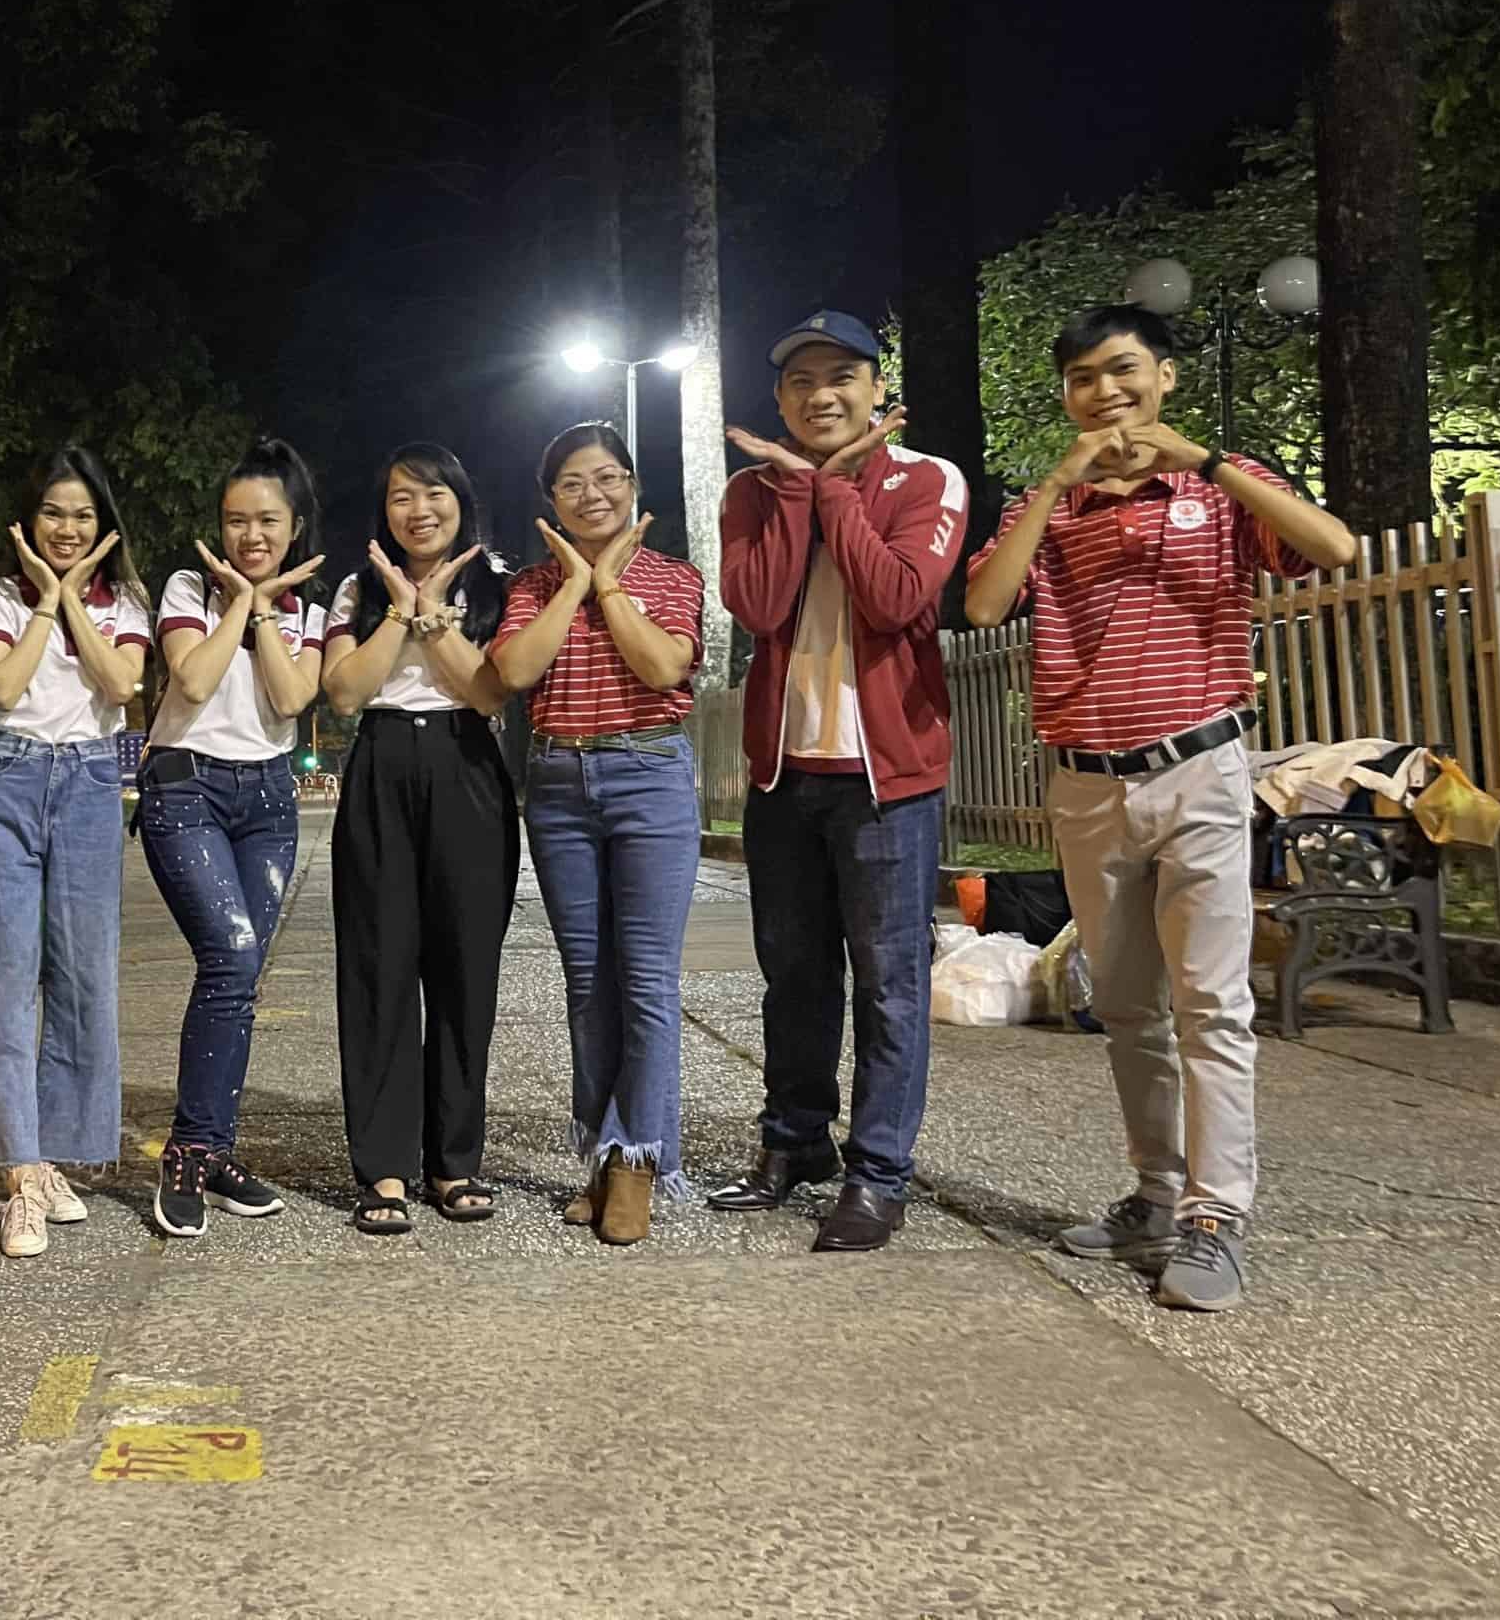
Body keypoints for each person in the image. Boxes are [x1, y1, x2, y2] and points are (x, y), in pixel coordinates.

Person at [965, 305, 1355, 1312]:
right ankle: (1155, 1193)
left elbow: (1334, 546)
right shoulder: (1050, 507)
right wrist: (1056, 485)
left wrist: (1207, 461)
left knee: (1211, 1003)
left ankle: (1216, 1218)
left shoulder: (1221, 486)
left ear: (1165, 375)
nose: (1105, 392)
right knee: (1127, 1004)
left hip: (1199, 769)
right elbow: (983, 605)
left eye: (1123, 369)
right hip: (1085, 780)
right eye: (1083, 378)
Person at [710, 311, 968, 1251]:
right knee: (794, 976)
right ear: (780, 400)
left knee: (890, 984)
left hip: (887, 780)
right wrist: (796, 489)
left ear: (876, 389)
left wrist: (834, 492)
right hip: (785, 775)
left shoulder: (928, 478)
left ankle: (878, 1172)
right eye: (801, 381)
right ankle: (794, 1143)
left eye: (841, 377)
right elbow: (758, 603)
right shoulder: (751, 491)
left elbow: (896, 597)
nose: (821, 395)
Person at [492, 422, 705, 1246]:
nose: (594, 494)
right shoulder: (531, 585)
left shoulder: (672, 576)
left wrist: (609, 586)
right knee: (587, 984)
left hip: (648, 774)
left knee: (645, 982)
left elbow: (662, 667)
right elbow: (515, 672)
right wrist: (575, 585)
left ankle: (636, 1163)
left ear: (633, 485)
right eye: (573, 483)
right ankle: (605, 1156)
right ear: (551, 500)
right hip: (557, 784)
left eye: (609, 477)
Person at [0, 447, 152, 1258]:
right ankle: (20, 1173)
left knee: (84, 975)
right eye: (52, 513)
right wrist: (47, 597)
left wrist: (73, 595)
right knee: (4, 978)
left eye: (82, 515)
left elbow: (120, 686)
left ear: (104, 524)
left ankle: (54, 1154)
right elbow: (3, 688)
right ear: (27, 522)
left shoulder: (127, 601)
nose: (67, 528)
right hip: (9, 776)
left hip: (88, 783)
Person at [321, 444, 517, 1237]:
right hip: (382, 763)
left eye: (434, 493)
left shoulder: (498, 584)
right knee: (380, 967)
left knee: (466, 969)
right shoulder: (358, 588)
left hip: (468, 764)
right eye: (402, 497)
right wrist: (400, 610)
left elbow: (488, 690)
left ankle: (455, 1159)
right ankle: (385, 1166)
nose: (419, 510)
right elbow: (344, 692)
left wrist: (435, 612)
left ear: (461, 500)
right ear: (385, 513)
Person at [140, 439, 328, 1239]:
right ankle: (191, 1151)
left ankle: (210, 1151)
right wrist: (243, 603)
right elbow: (191, 678)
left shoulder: (311, 611)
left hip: (267, 801)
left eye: (268, 521)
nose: (251, 535)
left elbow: (289, 699)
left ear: (294, 527)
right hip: (187, 788)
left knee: (239, 975)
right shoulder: (189, 588)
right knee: (232, 956)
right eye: (235, 521)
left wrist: (267, 610)